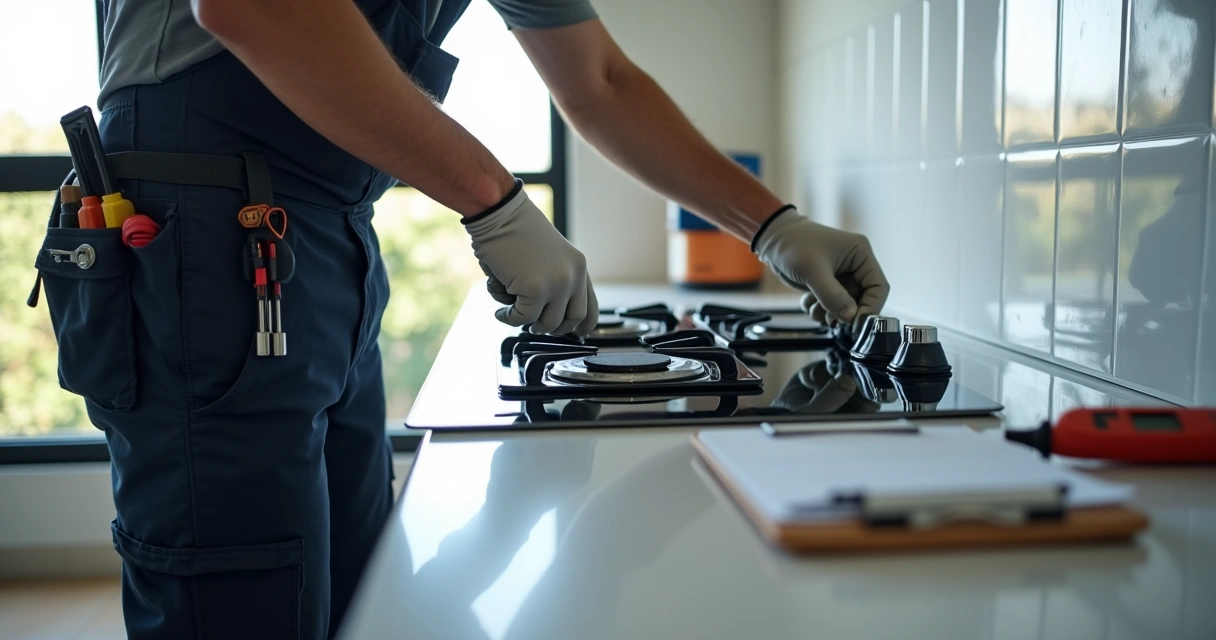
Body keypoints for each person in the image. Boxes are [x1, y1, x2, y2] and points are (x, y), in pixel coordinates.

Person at [85, 0, 889, 638]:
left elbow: (601, 79)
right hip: (206, 231)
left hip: (325, 241)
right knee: (239, 602)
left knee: (352, 595)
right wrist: (498, 204)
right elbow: (255, 7)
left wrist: (771, 226)